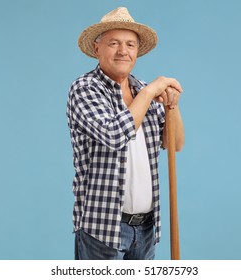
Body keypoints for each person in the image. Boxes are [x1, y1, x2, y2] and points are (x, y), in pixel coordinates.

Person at [66, 7, 185, 260]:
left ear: (137, 52)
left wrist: (172, 106)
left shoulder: (144, 90)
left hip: (146, 228)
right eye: (114, 43)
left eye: (130, 44)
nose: (123, 51)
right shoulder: (85, 89)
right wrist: (151, 91)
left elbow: (174, 144)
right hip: (104, 228)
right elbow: (114, 135)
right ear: (97, 49)